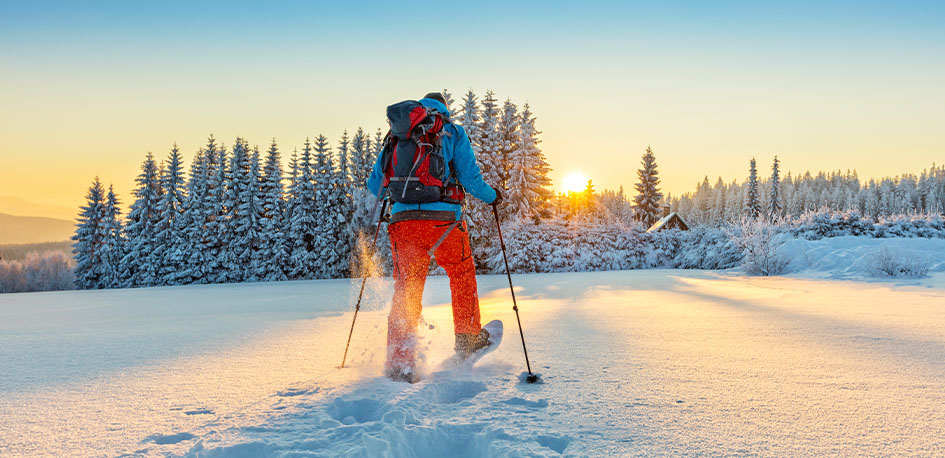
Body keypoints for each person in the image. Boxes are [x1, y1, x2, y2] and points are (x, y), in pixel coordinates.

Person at [366, 91, 502, 382]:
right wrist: (493, 197)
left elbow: (375, 184)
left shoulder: (397, 135)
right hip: (444, 223)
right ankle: (467, 339)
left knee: (407, 288)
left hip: (403, 224)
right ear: (444, 109)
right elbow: (470, 179)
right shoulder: (451, 131)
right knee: (461, 273)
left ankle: (400, 361)